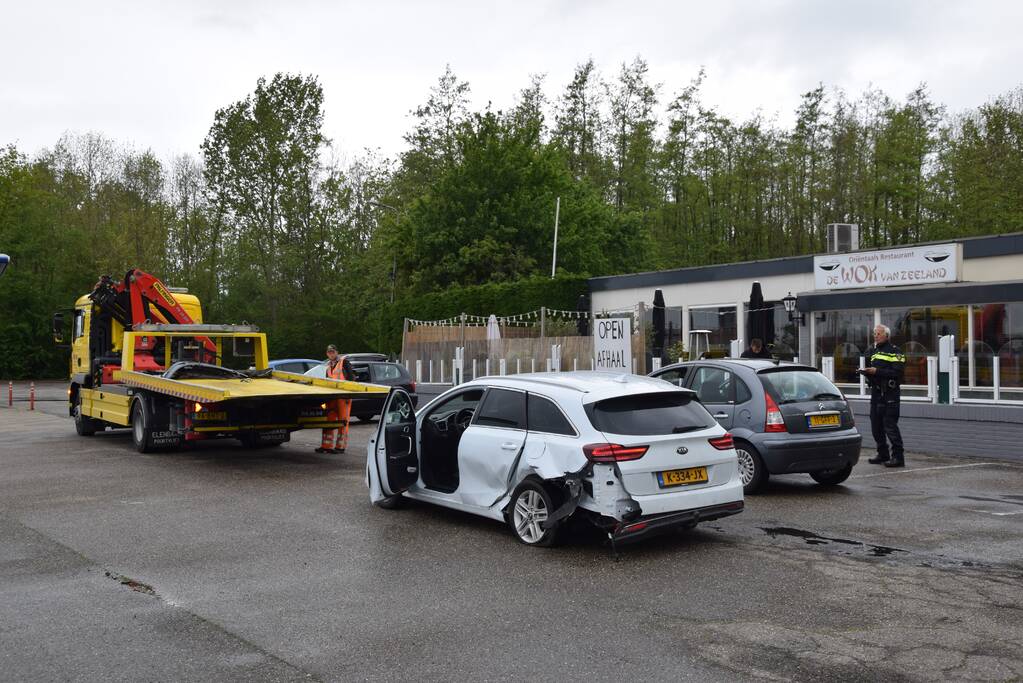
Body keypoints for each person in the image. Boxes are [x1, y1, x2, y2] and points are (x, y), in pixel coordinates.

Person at [860, 325, 906, 468]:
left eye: (878, 333)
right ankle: (883, 454)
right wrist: (867, 373)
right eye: (874, 333)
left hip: (890, 394)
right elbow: (876, 372)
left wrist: (876, 371)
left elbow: (897, 373)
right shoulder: (874, 351)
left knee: (890, 426)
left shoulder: (895, 351)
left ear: (886, 335)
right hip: (877, 393)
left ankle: (898, 457)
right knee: (876, 426)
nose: (875, 336)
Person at [317, 344, 355, 454]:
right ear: (327, 354)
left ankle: (340, 447)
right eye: (329, 352)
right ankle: (326, 446)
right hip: (333, 397)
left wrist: (349, 395)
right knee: (329, 420)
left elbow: (351, 379)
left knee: (343, 421)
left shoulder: (344, 362)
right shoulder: (328, 366)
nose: (331, 354)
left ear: (337, 352)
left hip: (344, 396)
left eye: (333, 352)